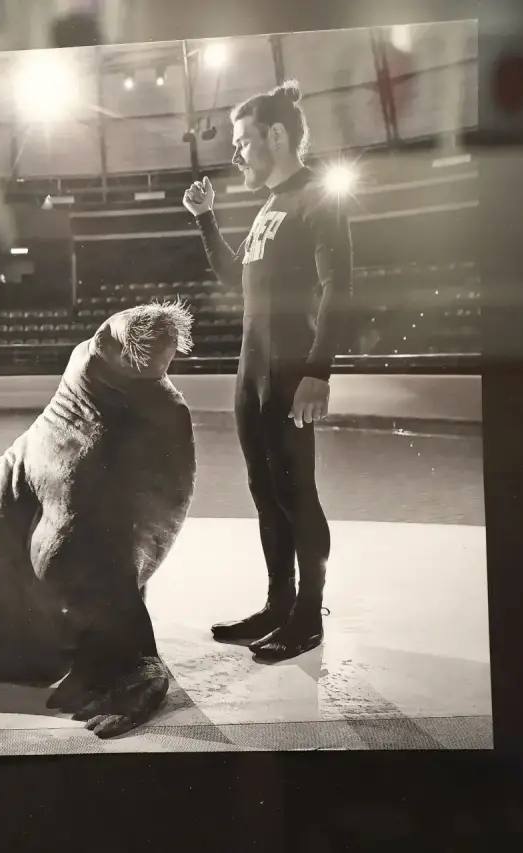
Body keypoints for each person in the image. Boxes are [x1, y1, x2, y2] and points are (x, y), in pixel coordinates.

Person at [181, 79, 354, 661]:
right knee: (264, 491)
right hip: (250, 373)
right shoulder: (266, 208)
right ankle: (278, 605)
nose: (236, 154)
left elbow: (341, 289)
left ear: (276, 135)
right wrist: (206, 219)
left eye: (243, 141)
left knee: (295, 492)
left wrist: (318, 371)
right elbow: (237, 281)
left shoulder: (317, 199)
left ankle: (308, 616)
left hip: (289, 372)